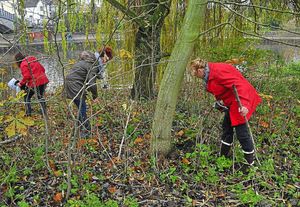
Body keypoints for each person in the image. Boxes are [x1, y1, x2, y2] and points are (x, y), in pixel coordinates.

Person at [189, 58, 261, 168]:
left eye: (194, 73)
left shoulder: (218, 71)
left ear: (199, 70)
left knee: (242, 132)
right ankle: (223, 157)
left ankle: (250, 164)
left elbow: (239, 84)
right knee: (226, 128)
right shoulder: (210, 73)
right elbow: (222, 89)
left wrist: (244, 104)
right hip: (232, 102)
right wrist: (220, 102)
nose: (195, 76)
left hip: (240, 100)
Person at [65, 47, 113, 138]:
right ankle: (86, 131)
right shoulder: (93, 64)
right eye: (106, 60)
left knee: (81, 107)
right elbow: (91, 83)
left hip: (72, 84)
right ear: (103, 56)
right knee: (82, 107)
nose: (106, 62)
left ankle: (79, 128)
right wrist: (95, 97)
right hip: (75, 85)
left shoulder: (90, 61)